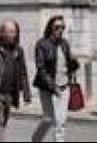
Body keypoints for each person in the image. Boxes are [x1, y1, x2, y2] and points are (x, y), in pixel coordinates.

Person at [32, 14, 79, 143]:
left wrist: (74, 61)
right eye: (57, 27)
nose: (60, 30)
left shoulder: (64, 44)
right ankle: (36, 139)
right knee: (48, 118)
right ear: (50, 28)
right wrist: (53, 87)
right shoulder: (41, 44)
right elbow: (41, 68)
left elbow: (71, 67)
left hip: (64, 86)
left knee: (61, 121)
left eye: (62, 27)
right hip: (47, 87)